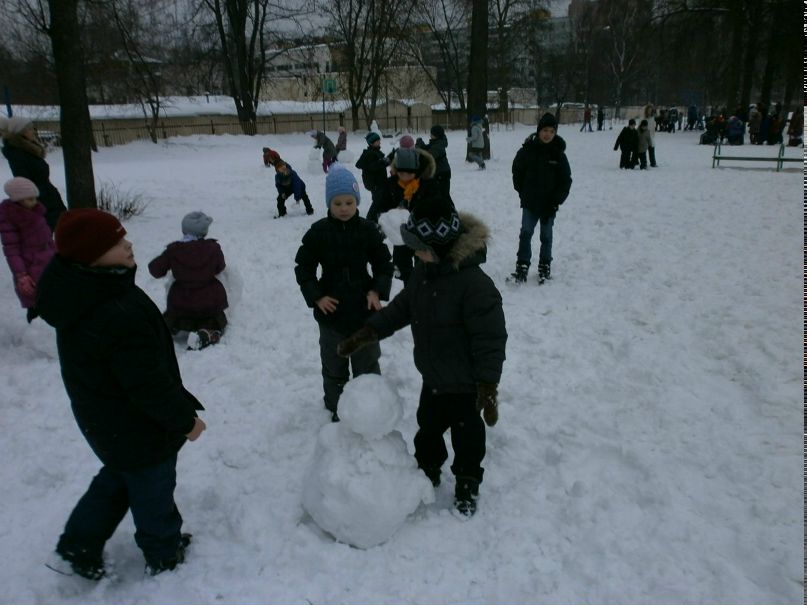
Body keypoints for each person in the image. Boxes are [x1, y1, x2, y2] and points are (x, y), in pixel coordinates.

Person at [36, 208, 206, 580]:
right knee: (153, 488)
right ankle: (164, 551)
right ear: (90, 256)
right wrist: (184, 420)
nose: (128, 244)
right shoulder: (114, 309)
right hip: (137, 425)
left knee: (118, 478)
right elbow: (146, 384)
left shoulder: (87, 290)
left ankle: (77, 547)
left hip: (107, 421)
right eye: (115, 242)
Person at [335, 195, 507, 517]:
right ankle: (427, 469)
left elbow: (491, 339)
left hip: (466, 384)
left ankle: (467, 481)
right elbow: (402, 308)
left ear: (440, 247)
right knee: (427, 430)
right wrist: (368, 332)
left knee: (467, 437)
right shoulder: (425, 273)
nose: (415, 253)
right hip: (434, 378)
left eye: (420, 247)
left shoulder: (475, 286)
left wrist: (488, 385)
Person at [294, 165, 393, 422]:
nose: (344, 208)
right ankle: (337, 411)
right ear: (329, 203)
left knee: (367, 367)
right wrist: (316, 296)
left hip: (364, 314)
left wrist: (376, 291)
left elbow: (384, 263)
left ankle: (370, 411)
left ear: (357, 201)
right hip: (332, 316)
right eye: (337, 203)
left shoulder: (368, 230)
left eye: (349, 202)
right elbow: (303, 267)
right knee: (334, 368)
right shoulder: (319, 232)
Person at [148, 211, 228, 350]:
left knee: (171, 318)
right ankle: (208, 333)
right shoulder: (213, 248)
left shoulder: (173, 250)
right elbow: (220, 267)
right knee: (216, 320)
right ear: (205, 232)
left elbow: (155, 270)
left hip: (181, 302)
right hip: (209, 301)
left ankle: (160, 331)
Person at [511, 112, 572, 284]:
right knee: (526, 233)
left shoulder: (558, 155)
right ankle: (522, 264)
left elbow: (565, 181)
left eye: (551, 131)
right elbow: (517, 171)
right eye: (545, 130)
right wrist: (522, 192)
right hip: (530, 202)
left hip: (548, 205)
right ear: (539, 131)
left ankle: (544, 265)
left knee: (546, 236)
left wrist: (556, 201)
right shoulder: (527, 150)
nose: (547, 134)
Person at [377, 147, 442, 285]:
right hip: (401, 235)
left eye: (409, 173)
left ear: (416, 171)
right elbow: (380, 205)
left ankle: (424, 290)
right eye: (401, 172)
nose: (405, 176)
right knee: (403, 268)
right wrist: (383, 220)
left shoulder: (427, 185)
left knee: (424, 268)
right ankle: (409, 290)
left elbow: (440, 205)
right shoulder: (391, 185)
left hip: (422, 235)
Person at [0, 177, 55, 322]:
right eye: (29, 199)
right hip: (30, 264)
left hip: (48, 258)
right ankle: (34, 319)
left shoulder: (37, 212)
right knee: (33, 293)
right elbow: (11, 250)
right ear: (18, 200)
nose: (34, 202)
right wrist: (21, 274)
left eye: (35, 198)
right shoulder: (10, 219)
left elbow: (48, 238)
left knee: (52, 290)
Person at [0, 116, 66, 231]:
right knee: (45, 232)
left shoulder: (29, 150)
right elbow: (23, 179)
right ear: (21, 133)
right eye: (29, 129)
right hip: (39, 199)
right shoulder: (17, 153)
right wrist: (34, 201)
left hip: (48, 195)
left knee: (59, 228)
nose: (33, 131)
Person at [355, 132, 390, 223]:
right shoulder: (369, 154)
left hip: (378, 182)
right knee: (377, 202)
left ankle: (378, 218)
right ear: (371, 143)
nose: (379, 142)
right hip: (375, 183)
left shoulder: (375, 152)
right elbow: (372, 167)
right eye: (377, 141)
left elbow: (379, 164)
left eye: (379, 140)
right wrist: (383, 162)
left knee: (379, 200)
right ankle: (370, 220)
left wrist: (388, 158)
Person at [416, 124, 452, 197]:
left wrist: (419, 148)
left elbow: (428, 156)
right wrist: (421, 145)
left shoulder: (439, 145)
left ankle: (449, 208)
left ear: (436, 135)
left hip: (442, 174)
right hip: (439, 173)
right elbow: (429, 149)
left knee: (444, 196)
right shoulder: (437, 142)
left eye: (431, 134)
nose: (430, 135)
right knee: (439, 196)